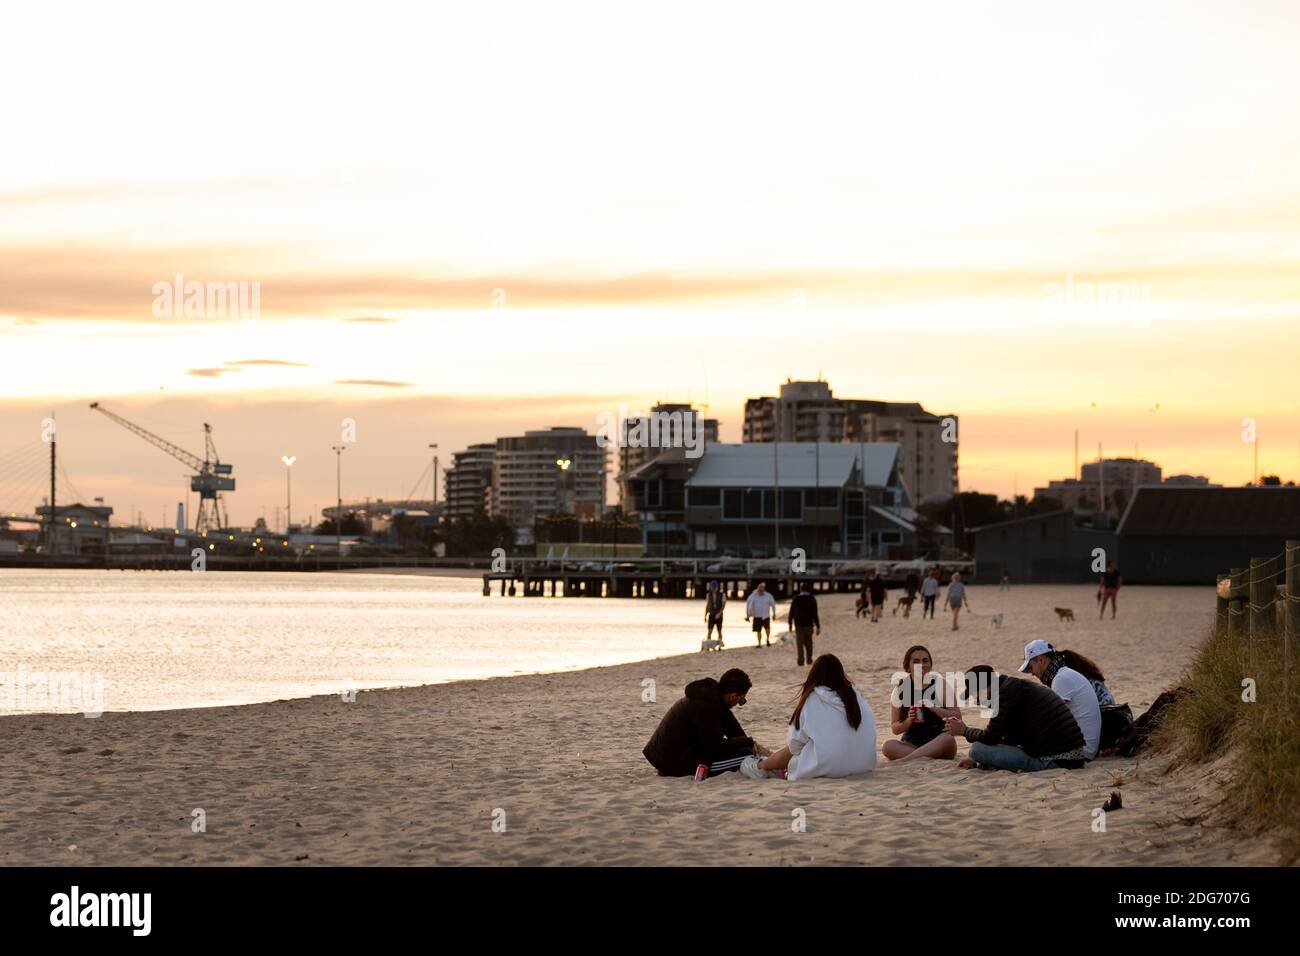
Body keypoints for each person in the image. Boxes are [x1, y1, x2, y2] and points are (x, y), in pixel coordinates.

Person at [742, 654, 876, 780]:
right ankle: (764, 765)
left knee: (796, 748)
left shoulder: (813, 697)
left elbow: (794, 745)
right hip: (864, 764)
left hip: (830, 768)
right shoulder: (856, 695)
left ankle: (760, 766)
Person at [944, 665, 1086, 772]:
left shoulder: (1005, 694)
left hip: (1057, 761)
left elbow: (991, 737)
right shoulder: (1013, 687)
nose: (977, 701)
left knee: (976, 749)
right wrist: (978, 763)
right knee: (979, 752)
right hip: (1073, 757)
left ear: (985, 688)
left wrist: (964, 731)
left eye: (976, 695)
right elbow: (1007, 738)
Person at [643, 669, 757, 777]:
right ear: (733, 696)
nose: (739, 703)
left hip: (680, 754)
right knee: (746, 755)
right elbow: (717, 746)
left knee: (745, 749)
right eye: (741, 700)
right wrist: (748, 742)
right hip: (672, 765)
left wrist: (747, 742)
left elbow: (736, 733)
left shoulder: (714, 699)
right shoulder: (705, 707)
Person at [1018, 640, 1102, 760]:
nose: (1032, 674)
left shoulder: (1061, 679)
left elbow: (1049, 719)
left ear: (1041, 660)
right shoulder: (1065, 674)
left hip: (1081, 752)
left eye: (1031, 668)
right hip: (1083, 747)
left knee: (1022, 753)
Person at [882, 644, 959, 761]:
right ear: (908, 666)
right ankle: (924, 755)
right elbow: (895, 728)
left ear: (930, 664)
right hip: (911, 744)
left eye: (925, 661)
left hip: (939, 742)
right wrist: (909, 720)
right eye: (916, 661)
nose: (921, 665)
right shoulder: (900, 689)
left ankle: (907, 759)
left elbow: (958, 717)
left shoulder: (940, 684)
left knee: (948, 739)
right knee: (887, 746)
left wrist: (934, 708)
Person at [787, 582, 820, 667]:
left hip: (798, 624)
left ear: (800, 589)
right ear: (809, 589)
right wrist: (818, 626)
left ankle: (801, 661)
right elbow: (815, 613)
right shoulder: (812, 598)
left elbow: (791, 612)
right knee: (809, 642)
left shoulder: (796, 598)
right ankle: (809, 659)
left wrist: (790, 623)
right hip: (809, 624)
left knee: (800, 643)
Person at [745, 581, 777, 647]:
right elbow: (748, 605)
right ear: (757, 588)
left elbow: (773, 605)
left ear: (764, 589)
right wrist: (748, 615)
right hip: (756, 616)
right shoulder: (753, 596)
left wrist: (774, 614)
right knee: (758, 630)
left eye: (762, 588)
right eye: (759, 588)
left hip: (766, 616)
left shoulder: (768, 596)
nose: (760, 589)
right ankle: (759, 643)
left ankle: (767, 639)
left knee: (767, 629)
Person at [704, 580, 726, 646]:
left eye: (714, 586)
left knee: (719, 631)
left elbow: (723, 605)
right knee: (709, 631)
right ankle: (709, 645)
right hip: (711, 615)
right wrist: (705, 615)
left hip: (719, 615)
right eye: (712, 586)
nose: (713, 588)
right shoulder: (708, 595)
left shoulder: (722, 594)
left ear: (717, 587)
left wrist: (719, 613)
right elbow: (707, 605)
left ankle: (719, 646)